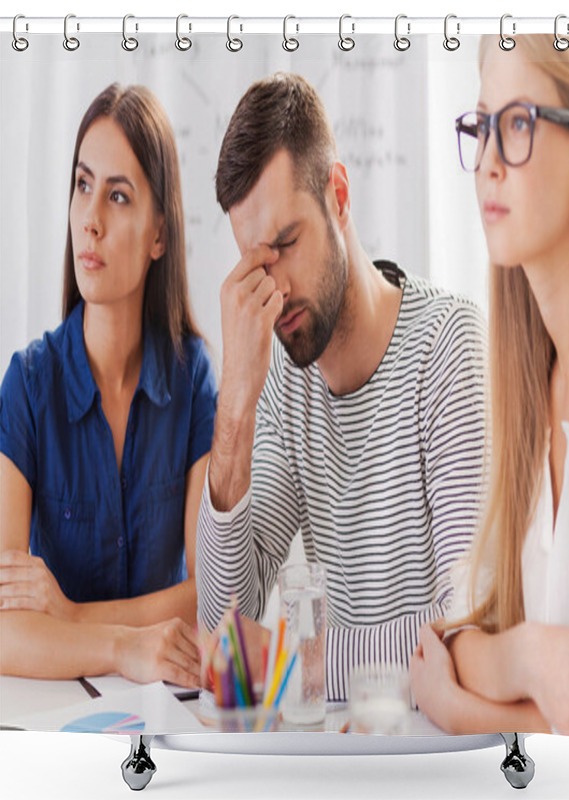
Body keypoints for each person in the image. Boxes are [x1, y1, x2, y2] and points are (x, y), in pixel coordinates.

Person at [196, 73, 487, 701]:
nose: (274, 291)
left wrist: (296, 663)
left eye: (287, 244)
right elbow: (224, 644)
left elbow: (468, 633)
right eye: (254, 261)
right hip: (345, 753)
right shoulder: (283, 393)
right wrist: (236, 406)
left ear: (340, 195)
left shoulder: (449, 348)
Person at [410, 34, 569, 737]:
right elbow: (461, 636)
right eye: (482, 126)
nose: (486, 164)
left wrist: (464, 711)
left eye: (517, 125)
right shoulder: (525, 386)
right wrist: (530, 659)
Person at [0, 84, 216, 687]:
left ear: (159, 236)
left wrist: (69, 617)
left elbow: (207, 597)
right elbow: (2, 628)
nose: (90, 220)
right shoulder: (28, 385)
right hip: (53, 715)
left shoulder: (193, 377)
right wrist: (125, 647)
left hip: (165, 709)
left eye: (118, 196)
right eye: (82, 185)